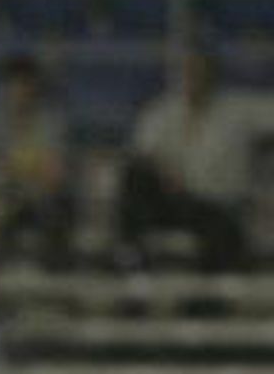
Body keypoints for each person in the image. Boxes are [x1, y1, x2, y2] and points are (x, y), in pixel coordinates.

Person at [116, 48, 272, 273]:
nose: (194, 79)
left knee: (221, 230)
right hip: (174, 202)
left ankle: (204, 302)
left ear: (213, 76)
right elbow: (140, 152)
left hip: (217, 204)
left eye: (200, 73)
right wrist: (162, 170)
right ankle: (130, 261)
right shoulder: (163, 111)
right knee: (135, 177)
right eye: (189, 73)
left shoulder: (238, 110)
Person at [0, 53, 73, 268]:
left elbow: (53, 174)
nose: (20, 92)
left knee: (55, 206)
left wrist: (4, 167)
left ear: (35, 88)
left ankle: (51, 271)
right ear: (4, 87)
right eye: (14, 85)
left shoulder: (50, 122)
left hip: (34, 196)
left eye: (26, 85)